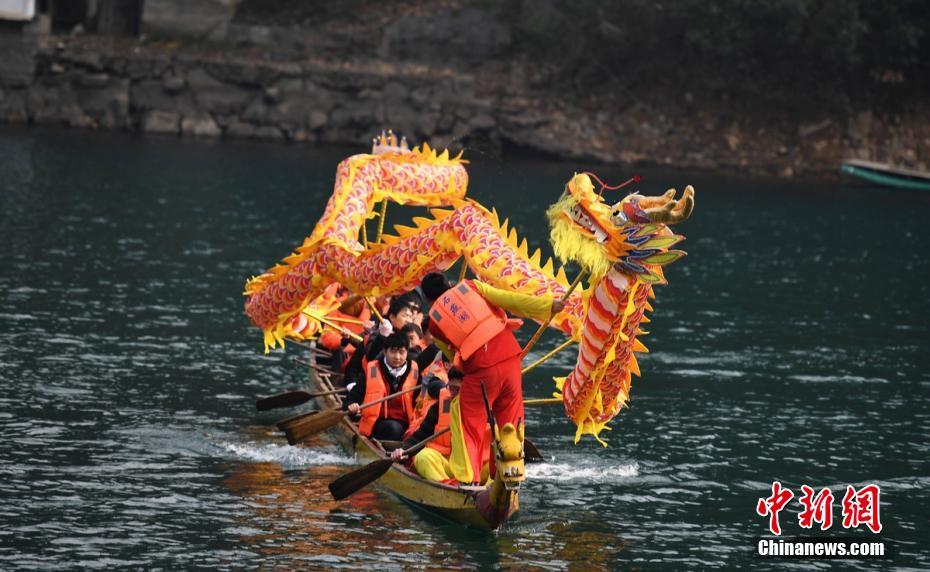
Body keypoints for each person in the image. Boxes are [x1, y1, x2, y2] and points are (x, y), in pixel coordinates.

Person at [420, 272, 563, 484]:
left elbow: (454, 360)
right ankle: (510, 473)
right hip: (511, 359)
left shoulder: (434, 324)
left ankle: (468, 479)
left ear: (428, 300)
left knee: (465, 418)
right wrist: (549, 306)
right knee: (511, 421)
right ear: (450, 284)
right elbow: (511, 300)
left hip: (482, 371)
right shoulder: (473, 286)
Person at [392, 369, 469, 483]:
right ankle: (449, 489)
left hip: (473, 467)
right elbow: (421, 435)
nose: (452, 394)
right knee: (423, 457)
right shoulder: (441, 405)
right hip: (447, 464)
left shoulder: (484, 407)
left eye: (457, 390)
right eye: (450, 388)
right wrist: (404, 451)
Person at [343, 332, 420, 441]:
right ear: (385, 351)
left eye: (402, 352)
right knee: (393, 429)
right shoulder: (371, 371)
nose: (397, 357)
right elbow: (351, 399)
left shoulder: (415, 372)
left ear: (407, 352)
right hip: (377, 423)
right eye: (393, 351)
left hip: (406, 424)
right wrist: (351, 406)